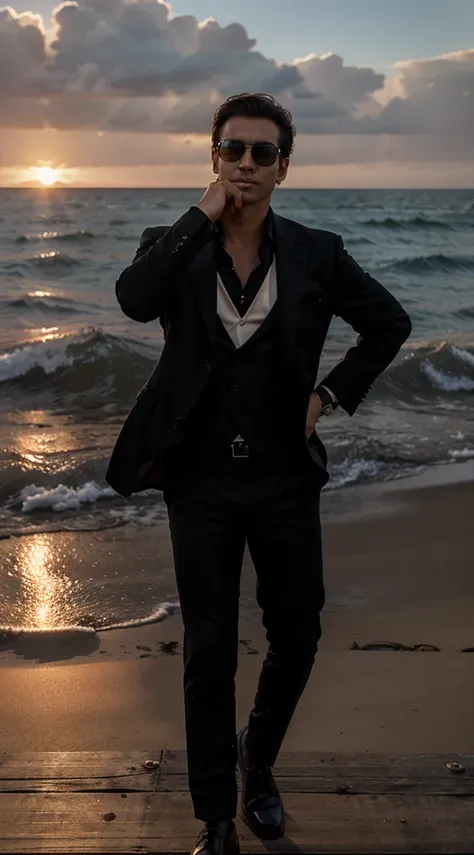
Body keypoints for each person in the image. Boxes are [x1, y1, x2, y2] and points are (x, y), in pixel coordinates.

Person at [106, 92, 412, 855]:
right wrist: (200, 215)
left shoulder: (317, 252)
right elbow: (134, 300)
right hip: (199, 480)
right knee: (208, 645)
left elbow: (389, 323)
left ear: (285, 167)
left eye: (262, 153)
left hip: (283, 479)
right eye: (233, 150)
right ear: (213, 156)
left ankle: (258, 764)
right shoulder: (173, 245)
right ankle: (214, 816)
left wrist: (330, 393)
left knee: (298, 634)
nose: (246, 164)